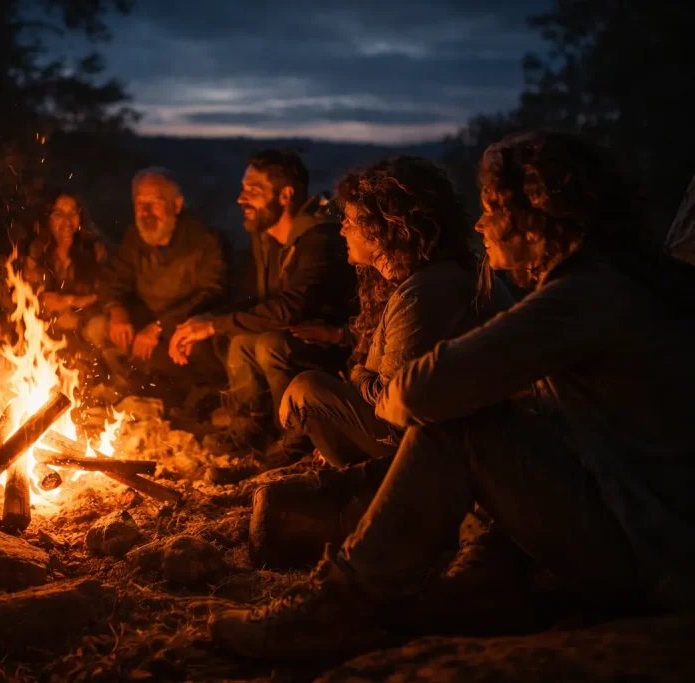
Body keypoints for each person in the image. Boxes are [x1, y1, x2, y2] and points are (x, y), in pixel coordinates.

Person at [210, 130, 695, 660]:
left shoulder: (586, 296)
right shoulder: (620, 278)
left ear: (534, 217)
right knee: (479, 413)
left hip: (649, 553)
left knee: (455, 419)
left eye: (493, 208)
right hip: (650, 530)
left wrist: (391, 388)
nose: (481, 223)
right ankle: (480, 572)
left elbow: (420, 392)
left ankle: (340, 608)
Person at [250, 156, 514, 567]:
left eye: (353, 221)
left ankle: (382, 502)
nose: (343, 229)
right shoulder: (417, 282)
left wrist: (353, 379)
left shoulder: (426, 292)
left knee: (307, 388)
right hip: (434, 445)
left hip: (430, 453)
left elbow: (399, 408)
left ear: (386, 229)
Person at [169, 149, 356, 460]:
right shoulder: (267, 239)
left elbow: (292, 307)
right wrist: (206, 322)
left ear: (285, 195)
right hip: (295, 337)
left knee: (268, 343)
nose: (242, 200)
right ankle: (251, 429)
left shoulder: (320, 238)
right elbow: (258, 302)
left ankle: (298, 438)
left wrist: (214, 324)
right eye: (244, 190)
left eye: (253, 191)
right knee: (241, 341)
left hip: (338, 345)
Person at [90, 167, 227, 386]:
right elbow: (113, 279)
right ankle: (123, 392)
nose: (146, 212)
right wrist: (117, 311)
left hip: (183, 326)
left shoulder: (205, 241)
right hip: (144, 325)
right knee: (97, 328)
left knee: (193, 347)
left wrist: (159, 326)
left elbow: (211, 293)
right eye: (139, 204)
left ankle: (194, 398)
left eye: (154, 203)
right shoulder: (134, 238)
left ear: (177, 204)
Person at [24, 190, 107, 342]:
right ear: (48, 219)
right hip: (48, 330)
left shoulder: (95, 250)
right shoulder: (38, 250)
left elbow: (107, 294)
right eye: (59, 214)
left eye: (72, 214)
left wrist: (68, 301)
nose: (67, 221)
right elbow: (31, 293)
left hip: (86, 326)